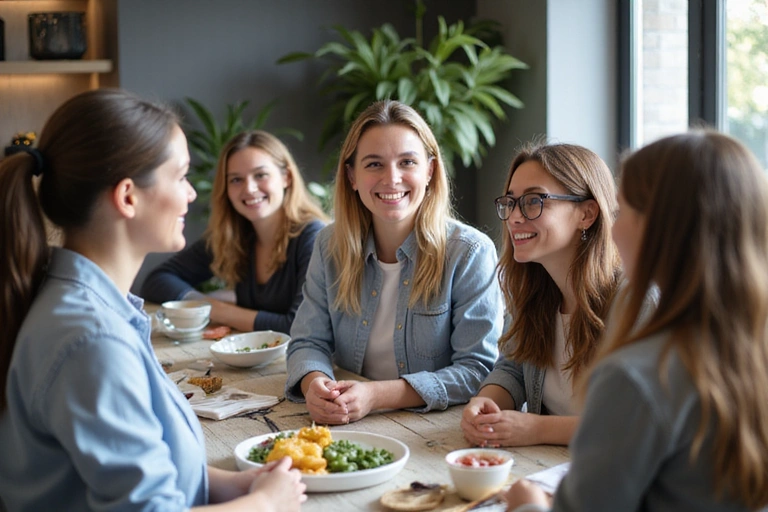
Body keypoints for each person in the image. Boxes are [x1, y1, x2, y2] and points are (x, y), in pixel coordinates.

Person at [0, 89, 306, 511]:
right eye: (180, 177)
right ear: (128, 197)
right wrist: (266, 504)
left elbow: (144, 468)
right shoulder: (91, 341)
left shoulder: (93, 311)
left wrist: (236, 486)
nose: (192, 195)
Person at [506, 130, 768, 512]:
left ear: (662, 230)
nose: (613, 227)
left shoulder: (638, 375)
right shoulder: (747, 346)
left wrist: (528, 504)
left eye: (623, 209)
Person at [285, 100, 501, 425]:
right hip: (347, 422)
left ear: (429, 171)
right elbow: (308, 340)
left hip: (437, 429)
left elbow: (478, 370)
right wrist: (314, 384)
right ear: (352, 176)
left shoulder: (470, 252)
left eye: (407, 162)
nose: (392, 178)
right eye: (374, 164)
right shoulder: (330, 245)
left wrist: (376, 395)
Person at [461, 142, 622, 447]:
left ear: (586, 214)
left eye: (534, 201)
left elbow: (638, 422)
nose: (514, 217)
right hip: (545, 468)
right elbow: (513, 368)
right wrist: (483, 404)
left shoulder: (637, 302)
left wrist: (537, 429)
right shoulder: (536, 292)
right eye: (511, 202)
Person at [140, 130, 328, 334]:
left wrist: (213, 309)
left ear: (286, 178)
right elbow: (157, 280)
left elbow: (299, 326)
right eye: (236, 180)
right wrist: (207, 304)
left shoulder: (314, 236)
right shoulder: (236, 235)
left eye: (261, 175)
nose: (249, 188)